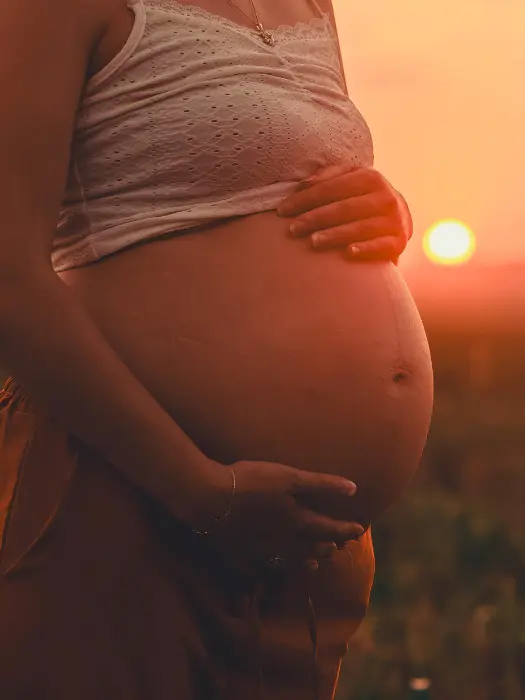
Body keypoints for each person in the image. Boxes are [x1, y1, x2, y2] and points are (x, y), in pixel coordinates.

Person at [0, 0, 435, 698]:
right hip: (132, 503)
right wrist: (201, 493)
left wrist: (393, 211)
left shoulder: (310, 5)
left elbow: (287, 175)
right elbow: (8, 276)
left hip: (302, 544)